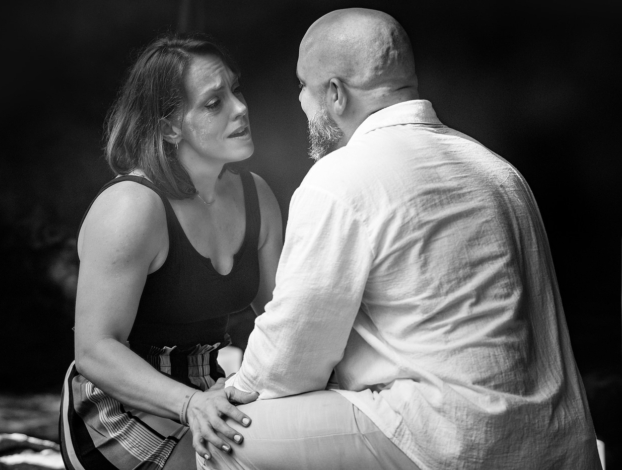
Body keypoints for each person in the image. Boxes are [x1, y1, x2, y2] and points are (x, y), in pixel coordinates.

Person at [203, 8, 602, 470]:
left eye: (302, 87)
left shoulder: (340, 177)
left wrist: (230, 387)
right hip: (556, 442)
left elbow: (291, 360)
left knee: (223, 435)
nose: (301, 102)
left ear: (334, 93)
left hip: (452, 439)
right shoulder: (497, 171)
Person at [59, 33, 283, 470]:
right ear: (168, 127)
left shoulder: (256, 195)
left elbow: (283, 317)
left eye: (235, 90)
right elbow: (94, 350)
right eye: (214, 102)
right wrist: (189, 404)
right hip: (118, 405)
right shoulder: (131, 207)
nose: (240, 108)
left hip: (209, 389)